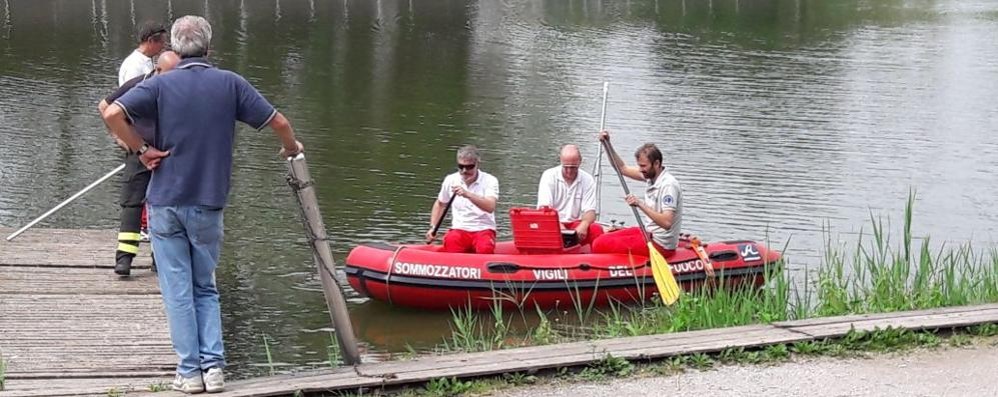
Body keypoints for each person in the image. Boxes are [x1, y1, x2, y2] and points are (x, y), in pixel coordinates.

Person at [101, 15, 303, 394]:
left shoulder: (161, 84)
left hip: (165, 202)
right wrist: (291, 148)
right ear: (209, 48)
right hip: (208, 202)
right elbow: (280, 122)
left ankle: (189, 374)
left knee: (177, 289)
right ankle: (214, 369)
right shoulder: (230, 83)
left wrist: (142, 150)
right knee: (204, 286)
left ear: (174, 49)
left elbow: (112, 113)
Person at [99, 51, 182, 276]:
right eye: (170, 75)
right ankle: (124, 259)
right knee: (132, 204)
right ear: (157, 71)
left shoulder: (182, 89)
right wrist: (121, 139)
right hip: (140, 150)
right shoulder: (139, 85)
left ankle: (160, 259)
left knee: (165, 206)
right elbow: (105, 107)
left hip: (168, 154)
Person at [591, 131, 682, 257]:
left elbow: (667, 223)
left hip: (660, 244)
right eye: (639, 166)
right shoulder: (650, 176)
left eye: (643, 166)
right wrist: (607, 144)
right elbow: (621, 168)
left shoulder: (668, 185)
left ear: (656, 164)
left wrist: (639, 204)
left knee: (599, 245)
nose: (640, 170)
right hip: (648, 233)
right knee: (601, 236)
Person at [425, 145, 499, 254]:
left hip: (483, 228)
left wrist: (467, 194)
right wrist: (433, 227)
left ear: (477, 164)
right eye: (461, 166)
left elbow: (490, 207)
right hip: (459, 228)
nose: (464, 171)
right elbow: (440, 204)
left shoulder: (490, 180)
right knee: (451, 241)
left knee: (485, 248)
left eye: (469, 167)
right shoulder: (451, 179)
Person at [536, 144, 603, 246]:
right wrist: (559, 227)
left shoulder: (587, 179)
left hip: (575, 225)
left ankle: (588, 254)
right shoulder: (549, 176)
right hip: (552, 223)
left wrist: (584, 225)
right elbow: (544, 209)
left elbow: (590, 211)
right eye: (566, 167)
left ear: (580, 162)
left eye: (573, 167)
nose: (569, 171)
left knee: (596, 229)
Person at [119, 20, 168, 85]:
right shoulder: (134, 66)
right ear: (150, 41)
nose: (164, 46)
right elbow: (132, 93)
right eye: (162, 42)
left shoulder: (148, 59)